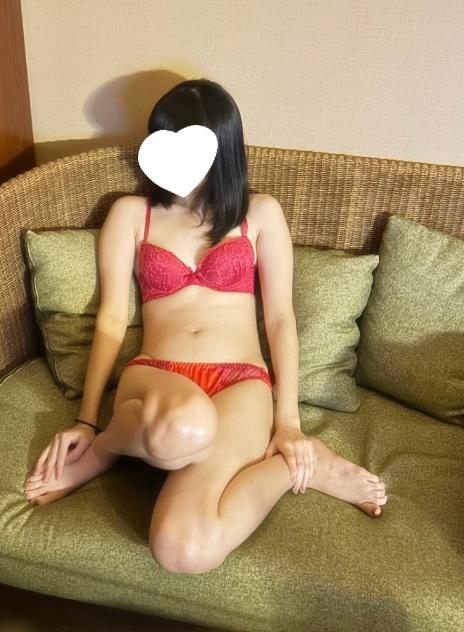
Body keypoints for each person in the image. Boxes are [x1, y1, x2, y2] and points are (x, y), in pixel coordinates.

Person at [23, 79, 387, 574]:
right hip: (157, 376)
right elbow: (111, 319)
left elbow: (280, 319)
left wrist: (288, 424)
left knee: (183, 550)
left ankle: (294, 469)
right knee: (184, 425)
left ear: (224, 150)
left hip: (239, 384)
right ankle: (105, 448)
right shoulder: (131, 215)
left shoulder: (261, 214)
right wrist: (87, 421)